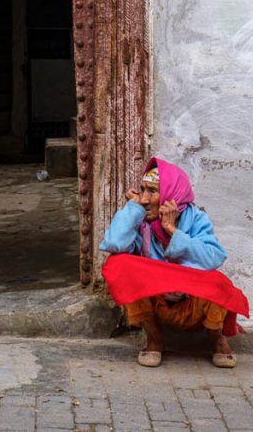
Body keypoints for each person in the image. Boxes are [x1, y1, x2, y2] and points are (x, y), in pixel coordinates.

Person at [99, 157, 243, 368]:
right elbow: (113, 243)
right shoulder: (140, 220)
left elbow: (214, 257)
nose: (145, 199)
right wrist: (132, 209)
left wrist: (173, 231)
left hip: (193, 304)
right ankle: (155, 339)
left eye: (153, 191)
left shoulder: (196, 219)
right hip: (158, 304)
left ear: (171, 196)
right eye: (142, 190)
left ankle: (216, 339)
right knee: (119, 265)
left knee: (219, 284)